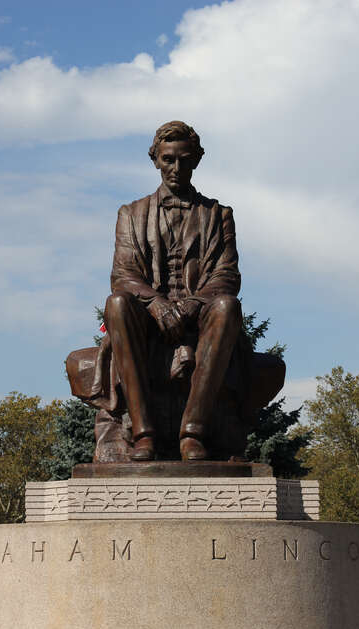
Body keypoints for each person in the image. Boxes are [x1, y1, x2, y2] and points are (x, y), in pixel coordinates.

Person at [102, 120, 243, 461]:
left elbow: (226, 274)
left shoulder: (219, 215)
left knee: (226, 306)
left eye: (183, 159)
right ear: (155, 160)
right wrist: (157, 304)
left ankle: (193, 432)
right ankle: (143, 433)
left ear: (196, 160)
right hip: (149, 319)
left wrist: (193, 305)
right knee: (117, 303)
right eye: (168, 159)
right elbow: (123, 274)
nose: (175, 168)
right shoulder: (131, 214)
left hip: (199, 317)